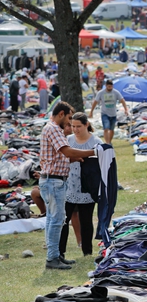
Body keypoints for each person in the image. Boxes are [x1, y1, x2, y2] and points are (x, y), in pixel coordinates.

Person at [39, 102, 96, 270]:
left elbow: (60, 156)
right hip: (54, 181)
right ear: (61, 114)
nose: (71, 124)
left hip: (52, 179)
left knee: (52, 219)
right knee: (56, 220)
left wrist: (75, 158)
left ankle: (55, 255)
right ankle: (52, 258)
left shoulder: (49, 128)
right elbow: (67, 151)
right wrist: (93, 152)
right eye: (70, 118)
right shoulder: (54, 129)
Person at [59, 113, 101, 258]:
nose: (75, 129)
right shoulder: (68, 140)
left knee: (86, 221)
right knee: (64, 221)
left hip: (87, 188)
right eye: (72, 126)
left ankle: (87, 252)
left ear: (86, 125)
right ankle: (60, 252)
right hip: (69, 186)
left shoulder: (96, 142)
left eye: (78, 126)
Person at [89, 80, 128, 145]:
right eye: (108, 86)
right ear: (106, 86)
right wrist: (91, 112)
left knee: (112, 130)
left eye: (111, 86)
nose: (110, 88)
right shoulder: (101, 93)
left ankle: (109, 141)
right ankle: (107, 143)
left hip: (113, 114)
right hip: (104, 113)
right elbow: (95, 102)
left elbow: (122, 100)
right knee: (106, 128)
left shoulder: (116, 92)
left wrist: (126, 109)